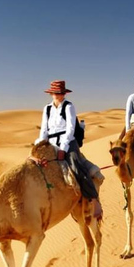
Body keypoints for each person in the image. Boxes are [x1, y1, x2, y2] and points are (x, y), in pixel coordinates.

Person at [36, 80, 103, 214]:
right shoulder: (47, 109)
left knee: (76, 168)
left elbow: (70, 129)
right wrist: (40, 146)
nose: (57, 95)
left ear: (64, 94)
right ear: (51, 94)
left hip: (68, 141)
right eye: (55, 93)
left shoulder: (68, 107)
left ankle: (94, 199)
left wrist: (63, 148)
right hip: (51, 142)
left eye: (59, 93)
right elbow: (44, 130)